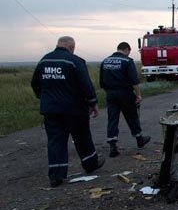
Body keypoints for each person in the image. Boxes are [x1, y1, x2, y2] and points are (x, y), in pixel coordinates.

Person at [31, 36, 105, 187]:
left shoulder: (44, 61)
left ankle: (56, 176)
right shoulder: (74, 61)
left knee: (55, 141)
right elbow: (86, 84)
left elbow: (35, 84)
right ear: (71, 47)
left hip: (51, 110)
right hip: (74, 109)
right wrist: (93, 103)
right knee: (82, 137)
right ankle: (90, 164)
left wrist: (44, 98)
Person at [99, 42, 151, 157]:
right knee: (132, 116)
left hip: (110, 93)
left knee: (112, 119)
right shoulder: (127, 61)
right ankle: (139, 139)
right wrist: (138, 95)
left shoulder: (105, 61)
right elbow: (134, 81)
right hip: (125, 93)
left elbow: (102, 83)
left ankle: (113, 145)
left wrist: (110, 93)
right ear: (127, 49)